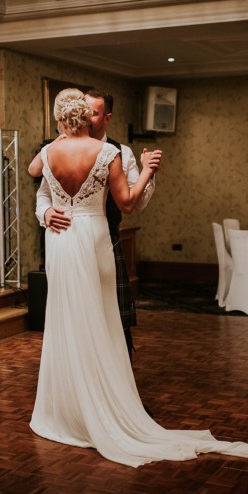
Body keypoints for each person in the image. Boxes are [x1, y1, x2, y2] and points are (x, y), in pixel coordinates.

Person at [27, 88, 248, 468]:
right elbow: (110, 200)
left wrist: (134, 168)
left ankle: (93, 402)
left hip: (80, 243)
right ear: (83, 117)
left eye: (97, 113)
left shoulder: (66, 151)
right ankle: (86, 405)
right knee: (85, 320)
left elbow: (40, 175)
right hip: (85, 238)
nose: (93, 118)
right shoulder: (99, 153)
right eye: (87, 113)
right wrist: (144, 172)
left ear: (73, 119)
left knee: (90, 322)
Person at [35, 89, 158, 363]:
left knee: (113, 318)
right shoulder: (57, 147)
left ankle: (115, 384)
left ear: (107, 117)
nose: (86, 118)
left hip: (106, 241)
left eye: (93, 112)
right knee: (73, 315)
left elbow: (135, 203)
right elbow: (43, 192)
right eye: (82, 110)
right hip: (67, 240)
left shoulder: (120, 153)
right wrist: (45, 213)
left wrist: (148, 174)